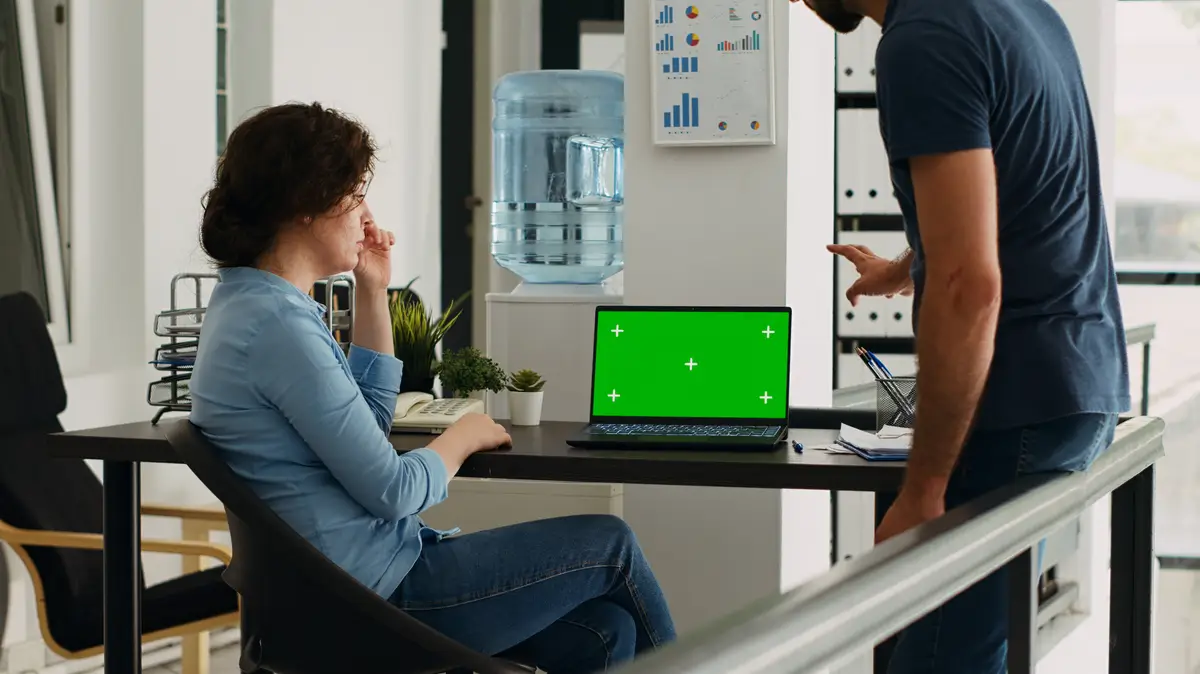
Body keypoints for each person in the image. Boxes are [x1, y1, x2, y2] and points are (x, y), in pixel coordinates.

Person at [188, 102, 676, 673]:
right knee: (612, 544)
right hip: (374, 596)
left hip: (342, 590)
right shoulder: (279, 325)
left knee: (605, 631)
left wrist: (373, 292)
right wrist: (463, 436)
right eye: (355, 195)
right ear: (306, 205)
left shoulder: (249, 304)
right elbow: (393, 491)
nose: (366, 214)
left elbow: (367, 428)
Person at [794, 0, 1130, 672]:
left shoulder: (920, 41)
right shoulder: (1019, 11)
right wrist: (905, 267)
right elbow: (1012, 198)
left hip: (1018, 404)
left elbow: (969, 287)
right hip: (1078, 378)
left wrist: (923, 487)